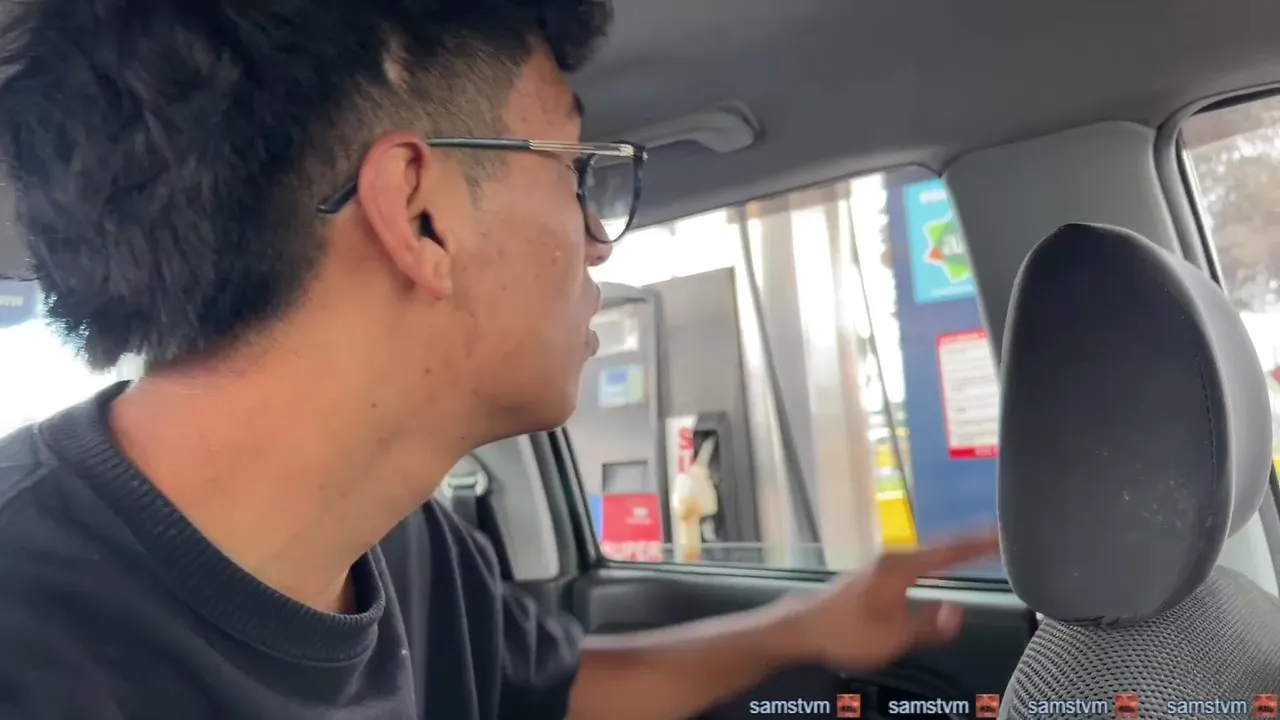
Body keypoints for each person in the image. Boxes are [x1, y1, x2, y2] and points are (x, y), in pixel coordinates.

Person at [0, 0, 998, 718]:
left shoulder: (406, 546)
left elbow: (556, 691)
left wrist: (800, 631)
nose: (597, 241)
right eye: (575, 173)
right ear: (420, 216)